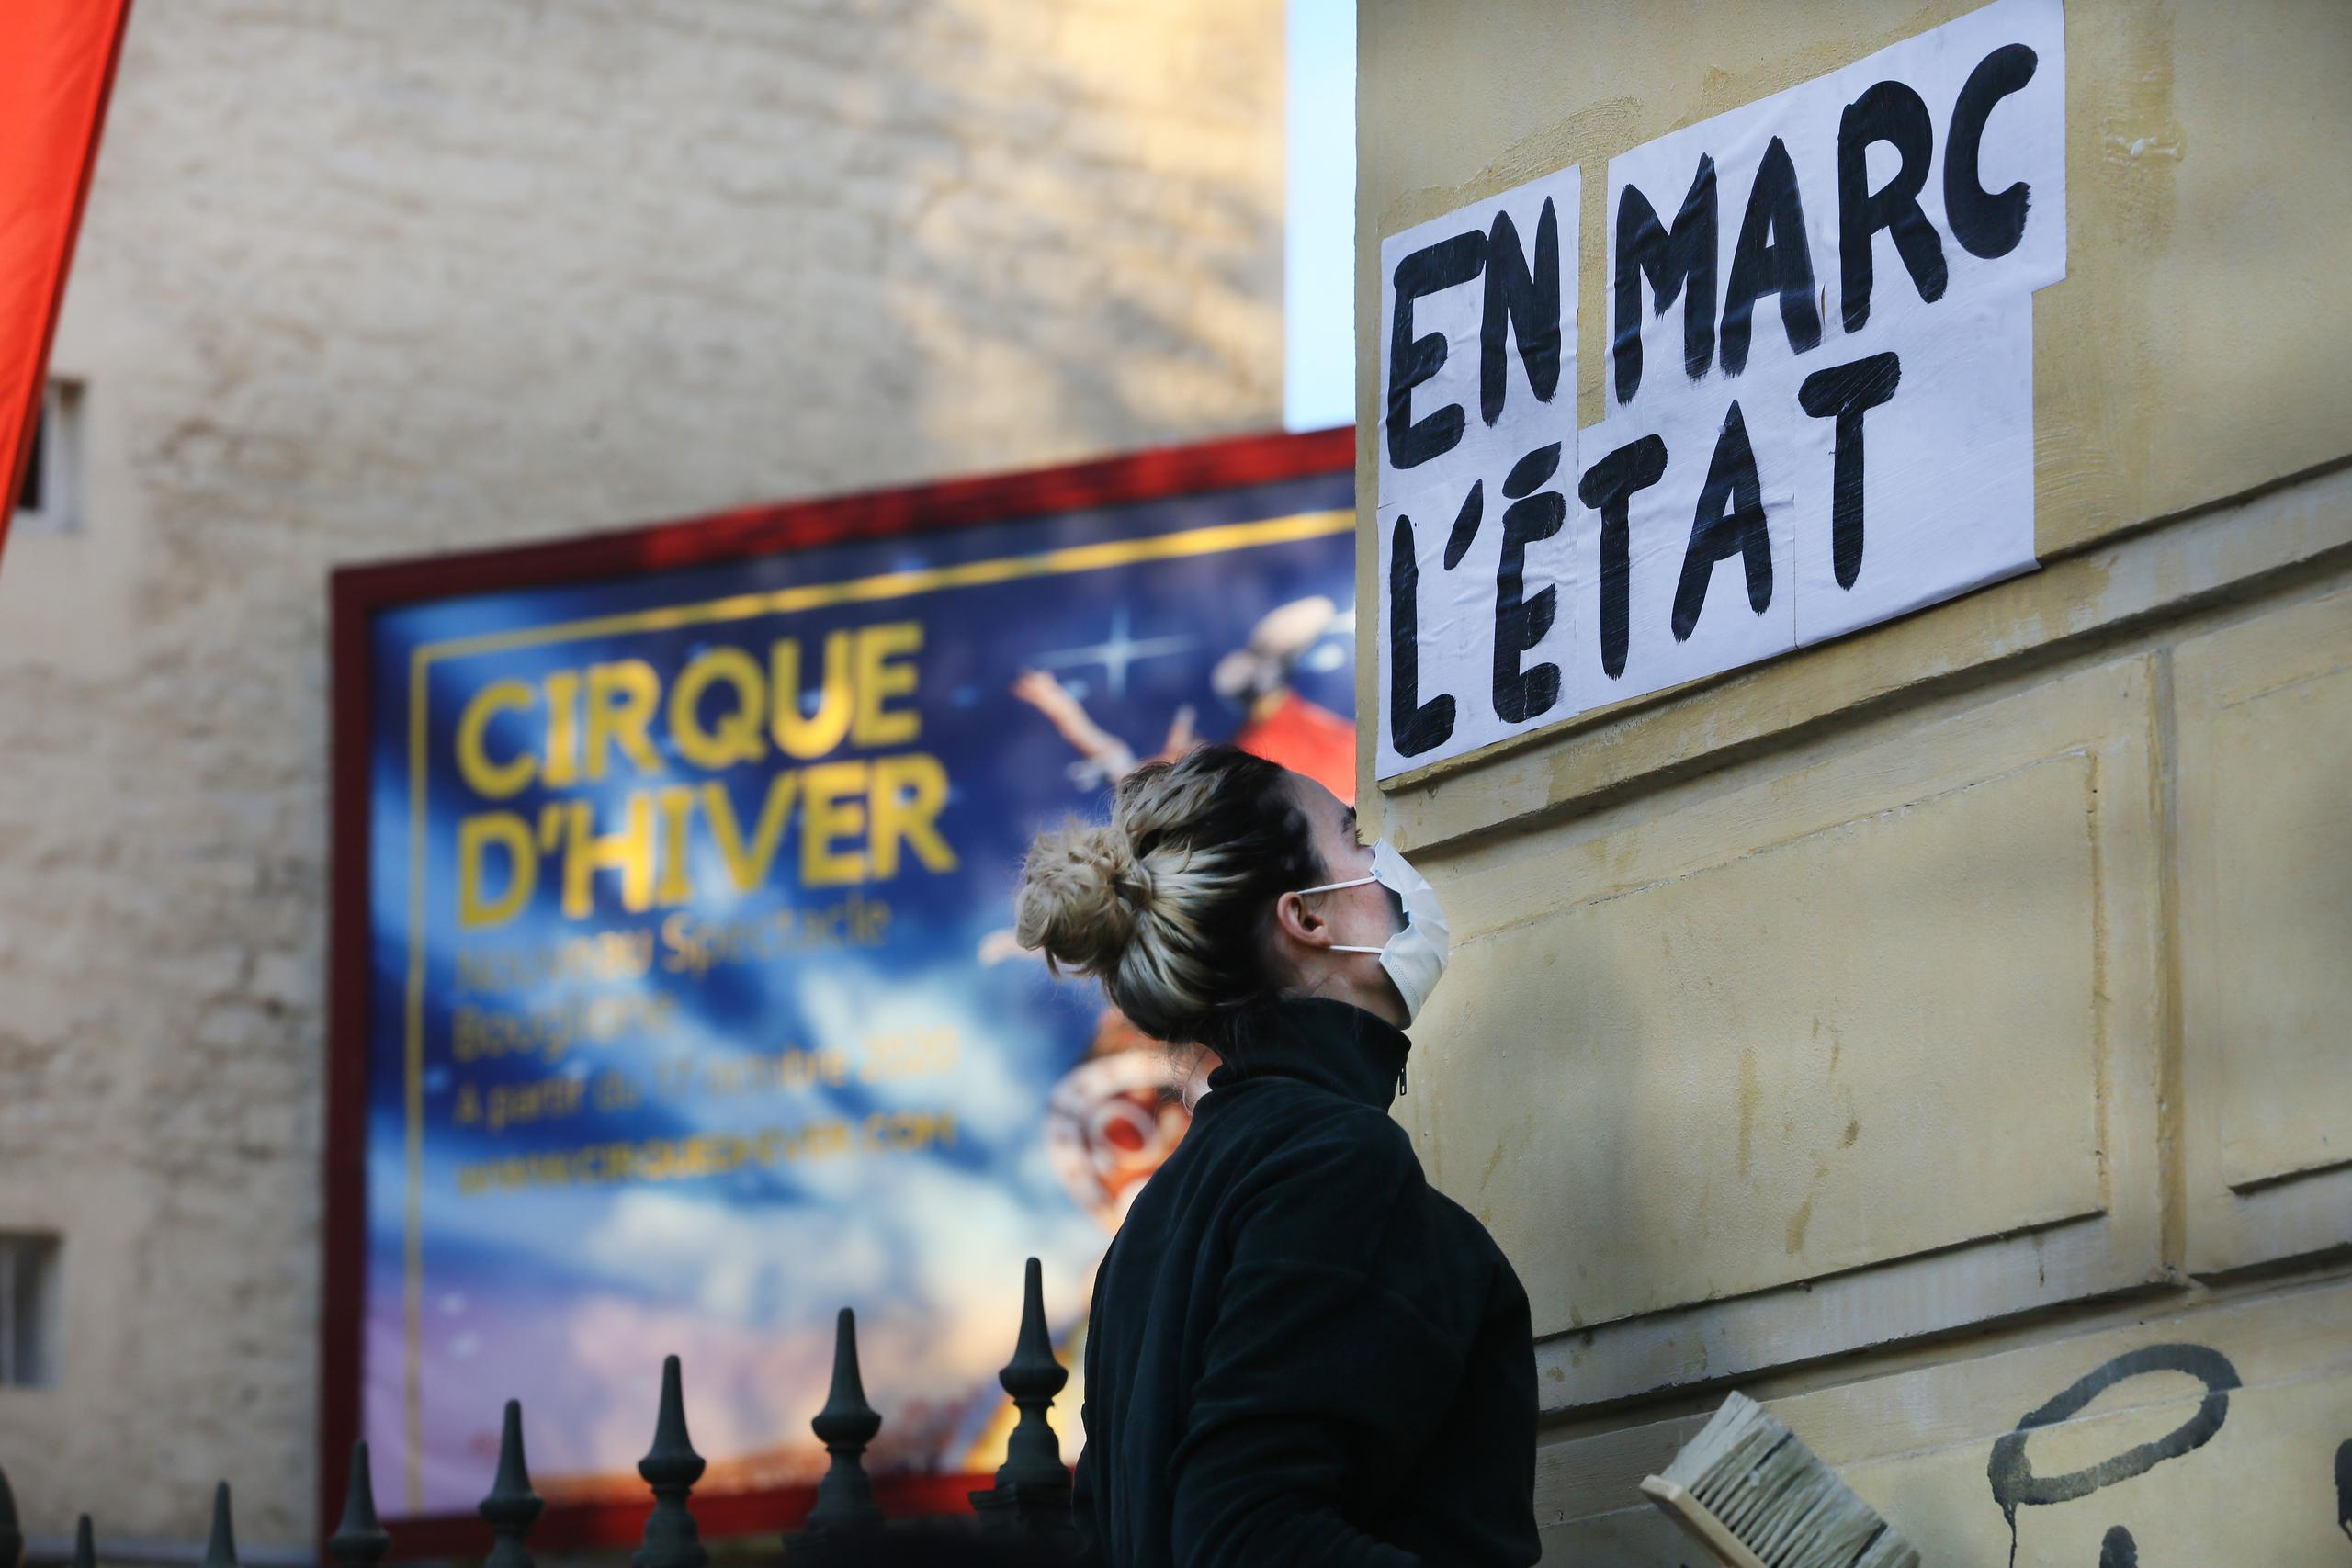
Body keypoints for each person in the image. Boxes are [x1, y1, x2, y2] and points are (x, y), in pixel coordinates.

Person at [1014, 744, 1540, 1568]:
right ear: (1307, 917)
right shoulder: (1331, 1157)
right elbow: (1246, 1532)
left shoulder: (1159, 1213)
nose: (1382, 860)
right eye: (1354, 835)